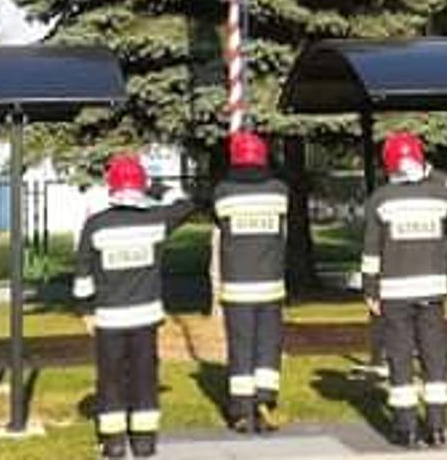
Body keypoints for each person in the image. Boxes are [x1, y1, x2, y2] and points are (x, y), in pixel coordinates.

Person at [74, 153, 196, 458]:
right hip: (146, 316)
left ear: (112, 187)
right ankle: (144, 441)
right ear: (140, 186)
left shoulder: (96, 225)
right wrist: (157, 187)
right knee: (144, 375)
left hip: (110, 318)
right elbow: (185, 204)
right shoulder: (156, 221)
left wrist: (86, 310)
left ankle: (113, 442)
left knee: (111, 376)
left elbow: (83, 275)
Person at [360, 131, 447, 448]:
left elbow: (371, 251)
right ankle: (438, 427)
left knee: (399, 358)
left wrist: (370, 290)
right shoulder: (437, 195)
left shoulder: (380, 200)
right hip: (431, 291)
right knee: (434, 357)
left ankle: (405, 429)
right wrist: (431, 171)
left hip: (394, 293)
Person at [210, 130, 289, 433]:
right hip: (271, 284)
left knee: (241, 346)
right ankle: (265, 401)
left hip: (237, 286)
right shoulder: (279, 191)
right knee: (268, 345)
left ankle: (241, 411)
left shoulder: (223, 193)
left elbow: (220, 224)